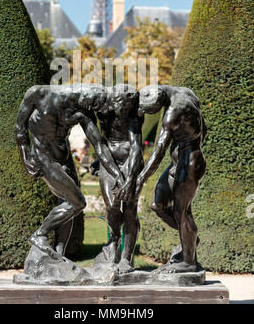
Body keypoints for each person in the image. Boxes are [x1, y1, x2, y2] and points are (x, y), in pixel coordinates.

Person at [15, 83, 124, 260]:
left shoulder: (82, 111)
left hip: (64, 158)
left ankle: (59, 255)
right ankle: (40, 234)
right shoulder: (39, 93)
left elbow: (98, 145)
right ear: (85, 96)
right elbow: (20, 127)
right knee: (77, 203)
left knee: (67, 203)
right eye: (92, 106)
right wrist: (25, 155)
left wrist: (115, 173)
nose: (91, 110)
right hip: (43, 159)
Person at [136, 85, 207, 273]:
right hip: (180, 160)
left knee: (181, 211)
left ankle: (188, 261)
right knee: (157, 205)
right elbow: (204, 127)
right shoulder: (185, 92)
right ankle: (190, 238)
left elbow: (158, 151)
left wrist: (139, 180)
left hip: (190, 160)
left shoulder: (172, 113)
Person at [93, 84, 144, 274]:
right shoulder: (102, 110)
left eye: (127, 108)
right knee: (112, 204)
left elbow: (136, 146)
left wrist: (131, 178)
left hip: (131, 160)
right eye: (120, 108)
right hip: (109, 160)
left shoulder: (135, 113)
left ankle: (127, 258)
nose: (123, 112)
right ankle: (114, 238)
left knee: (130, 208)